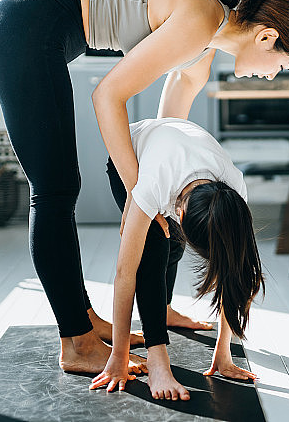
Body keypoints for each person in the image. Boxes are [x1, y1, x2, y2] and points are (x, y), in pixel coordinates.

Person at [0, 0, 289, 379]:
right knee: (55, 189)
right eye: (282, 65)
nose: (272, 76)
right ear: (266, 37)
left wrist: (164, 195)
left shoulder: (205, 41)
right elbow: (107, 96)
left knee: (155, 208)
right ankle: (76, 341)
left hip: (42, 29)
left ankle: (114, 314)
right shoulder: (200, 22)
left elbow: (166, 131)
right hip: (24, 27)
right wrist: (137, 190)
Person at [89, 117, 264, 399]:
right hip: (130, 154)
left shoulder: (233, 196)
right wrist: (119, 356)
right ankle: (158, 360)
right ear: (179, 216)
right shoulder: (153, 186)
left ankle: (165, 310)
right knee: (154, 248)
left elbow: (237, 271)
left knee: (175, 248)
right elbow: (125, 273)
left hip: (175, 149)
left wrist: (224, 353)